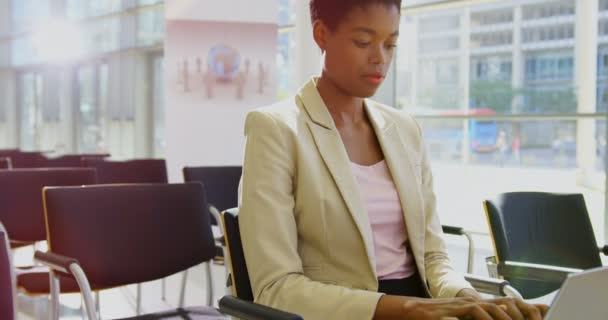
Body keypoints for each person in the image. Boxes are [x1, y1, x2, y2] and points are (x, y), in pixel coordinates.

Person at [239, 1, 547, 319]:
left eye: (391, 44)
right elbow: (275, 288)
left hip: (426, 307)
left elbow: (433, 259)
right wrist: (410, 308)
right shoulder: (275, 128)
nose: (380, 59)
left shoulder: (404, 129)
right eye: (363, 42)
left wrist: (468, 299)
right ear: (321, 34)